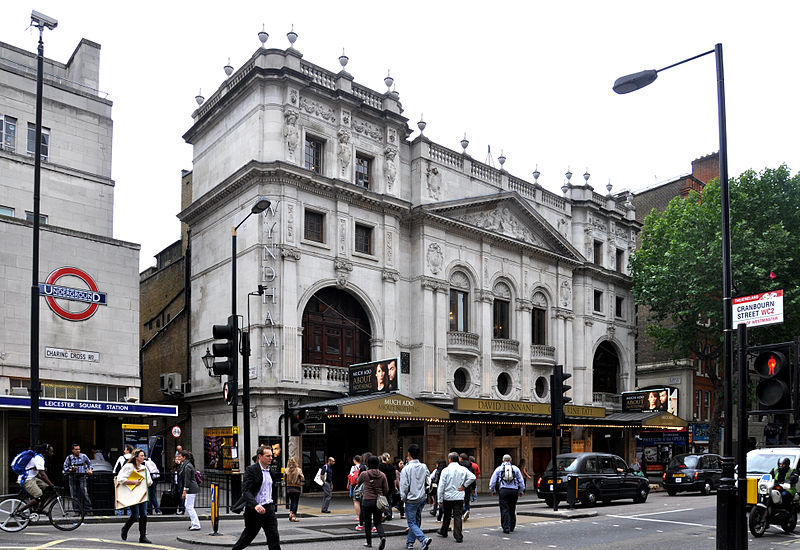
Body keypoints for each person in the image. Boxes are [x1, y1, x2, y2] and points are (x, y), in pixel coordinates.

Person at [231, 445, 282, 550]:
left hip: (269, 510)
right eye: (268, 456)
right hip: (255, 511)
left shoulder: (271, 471)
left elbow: (272, 489)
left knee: (274, 539)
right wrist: (255, 505)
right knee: (247, 538)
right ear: (260, 456)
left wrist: (272, 506)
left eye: (271, 456)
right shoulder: (251, 470)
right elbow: (246, 491)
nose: (271, 458)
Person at [399, 444, 433, 550]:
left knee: (412, 522)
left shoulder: (406, 469)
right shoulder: (424, 466)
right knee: (417, 520)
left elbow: (404, 486)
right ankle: (410, 542)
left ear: (409, 454)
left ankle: (423, 539)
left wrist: (403, 498)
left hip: (411, 498)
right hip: (422, 497)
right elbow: (429, 479)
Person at [436, 452, 475, 543]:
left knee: (447, 515)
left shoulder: (445, 470)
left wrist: (439, 499)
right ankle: (458, 536)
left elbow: (441, 485)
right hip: (459, 496)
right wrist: (464, 486)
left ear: (450, 459)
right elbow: (472, 477)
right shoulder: (463, 469)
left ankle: (444, 531)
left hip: (448, 496)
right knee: (458, 516)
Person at [117, 448, 153, 544]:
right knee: (135, 515)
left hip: (142, 494)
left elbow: (149, 480)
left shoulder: (144, 467)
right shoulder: (129, 466)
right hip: (132, 494)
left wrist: (148, 482)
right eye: (142, 455)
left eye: (144, 455)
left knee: (144, 515)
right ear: (136, 457)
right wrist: (133, 482)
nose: (144, 457)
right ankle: (125, 529)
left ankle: (143, 537)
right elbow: (120, 479)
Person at [356, 455, 388, 549]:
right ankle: (382, 537)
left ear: (368, 464)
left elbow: (358, 483)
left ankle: (368, 542)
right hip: (378, 502)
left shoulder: (364, 474)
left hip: (367, 500)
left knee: (368, 522)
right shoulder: (382, 475)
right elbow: (386, 489)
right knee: (378, 522)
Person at [488, 454, 525, 534]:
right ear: (511, 460)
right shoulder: (515, 469)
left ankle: (506, 527)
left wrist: (493, 490)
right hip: (514, 491)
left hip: (503, 490)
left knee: (504, 509)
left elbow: (492, 481)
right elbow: (521, 481)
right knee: (512, 508)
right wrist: (521, 491)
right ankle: (512, 526)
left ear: (503, 460)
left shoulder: (499, 469)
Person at [15, 443, 55, 515]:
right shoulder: (39, 459)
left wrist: (49, 485)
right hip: (27, 480)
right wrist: (51, 484)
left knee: (48, 489)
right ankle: (19, 511)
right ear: (45, 451)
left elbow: (36, 473)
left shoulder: (39, 458)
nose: (52, 453)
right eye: (51, 451)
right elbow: (42, 474)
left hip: (32, 478)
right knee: (39, 496)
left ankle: (39, 509)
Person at [62, 443, 93, 515]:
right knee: (74, 495)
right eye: (76, 449)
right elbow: (65, 467)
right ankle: (76, 511)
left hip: (82, 476)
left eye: (79, 449)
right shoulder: (69, 458)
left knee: (84, 493)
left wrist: (90, 470)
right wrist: (71, 469)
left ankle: (88, 510)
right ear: (72, 450)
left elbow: (89, 464)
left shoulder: (83, 456)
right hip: (72, 477)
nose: (78, 451)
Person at [178, 450, 201, 530]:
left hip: (191, 488)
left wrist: (185, 491)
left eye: (180, 456)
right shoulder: (186, 464)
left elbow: (187, 480)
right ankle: (194, 523)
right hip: (191, 488)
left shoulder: (187, 466)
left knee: (189, 506)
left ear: (184, 457)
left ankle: (196, 524)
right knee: (189, 506)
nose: (178, 458)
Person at [378, 453, 397, 520]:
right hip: (390, 485)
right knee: (389, 501)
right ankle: (389, 514)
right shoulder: (392, 466)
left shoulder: (380, 466)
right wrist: (395, 487)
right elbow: (394, 478)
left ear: (382, 458)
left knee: (381, 501)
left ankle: (382, 515)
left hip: (382, 485)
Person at [285, 457, 304, 522]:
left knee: (292, 501)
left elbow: (284, 478)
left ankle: (290, 513)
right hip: (296, 487)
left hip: (289, 487)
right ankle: (293, 515)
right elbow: (302, 478)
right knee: (295, 502)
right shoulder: (298, 470)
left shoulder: (286, 470)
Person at [458, 453, 475, 520]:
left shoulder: (459, 466)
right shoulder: (471, 466)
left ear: (461, 458)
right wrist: (473, 488)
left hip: (460, 486)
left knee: (459, 501)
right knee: (467, 501)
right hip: (468, 486)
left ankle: (463, 511)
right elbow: (473, 479)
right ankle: (466, 511)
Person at [349, 455, 365, 524]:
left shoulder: (353, 467)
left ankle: (359, 516)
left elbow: (350, 476)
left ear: (355, 460)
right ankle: (364, 515)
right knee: (362, 500)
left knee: (356, 500)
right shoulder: (364, 466)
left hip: (356, 486)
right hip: (363, 486)